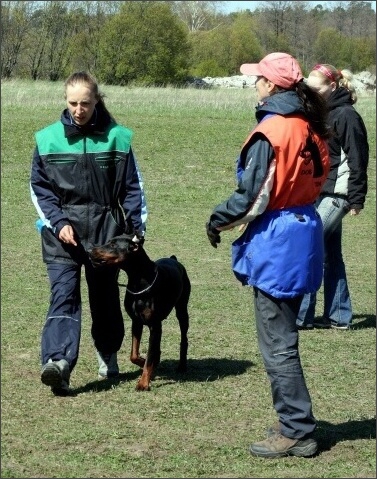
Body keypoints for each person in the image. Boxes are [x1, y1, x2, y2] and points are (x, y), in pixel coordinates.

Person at [205, 52, 331, 458]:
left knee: (278, 343)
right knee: (284, 337)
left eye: (258, 78)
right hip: (303, 232)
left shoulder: (274, 130)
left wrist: (217, 221)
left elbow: (252, 197)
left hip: (279, 242)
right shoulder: (309, 125)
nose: (254, 84)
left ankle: (296, 429)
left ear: (272, 86)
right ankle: (295, 420)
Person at [30, 71, 147, 395]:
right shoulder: (47, 139)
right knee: (63, 296)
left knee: (105, 297)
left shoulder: (118, 138)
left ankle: (107, 353)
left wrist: (137, 230)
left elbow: (132, 188)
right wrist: (58, 222)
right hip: (61, 237)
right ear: (65, 102)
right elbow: (39, 189)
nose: (78, 110)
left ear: (96, 100)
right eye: (72, 103)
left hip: (105, 232)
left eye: (85, 103)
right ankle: (58, 364)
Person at [297, 64, 369, 330]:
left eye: (317, 89)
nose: (312, 93)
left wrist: (356, 197)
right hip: (319, 192)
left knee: (308, 245)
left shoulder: (347, 115)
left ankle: (300, 316)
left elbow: (358, 158)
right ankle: (339, 315)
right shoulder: (321, 113)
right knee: (331, 255)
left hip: (337, 194)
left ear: (333, 87)